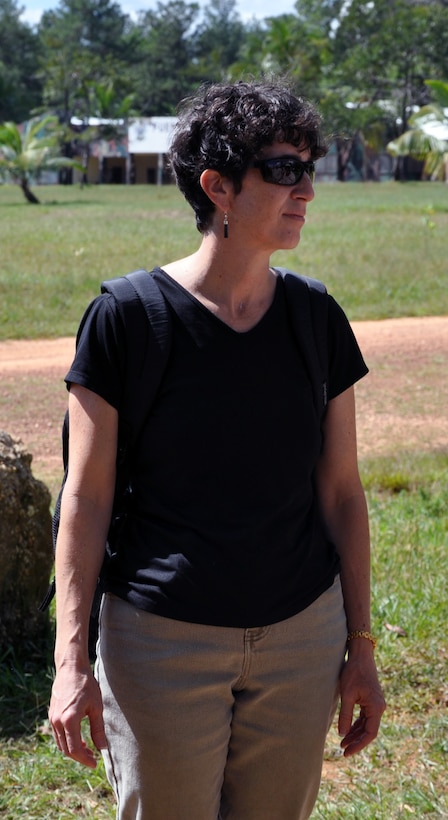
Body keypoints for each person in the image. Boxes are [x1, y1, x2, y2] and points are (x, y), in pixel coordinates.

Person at [48, 79, 385, 819]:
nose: (307, 190)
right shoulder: (126, 319)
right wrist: (71, 656)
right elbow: (87, 496)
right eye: (285, 169)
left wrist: (359, 645)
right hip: (160, 643)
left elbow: (342, 494)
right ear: (218, 187)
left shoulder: (315, 316)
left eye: (310, 167)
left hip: (301, 636)